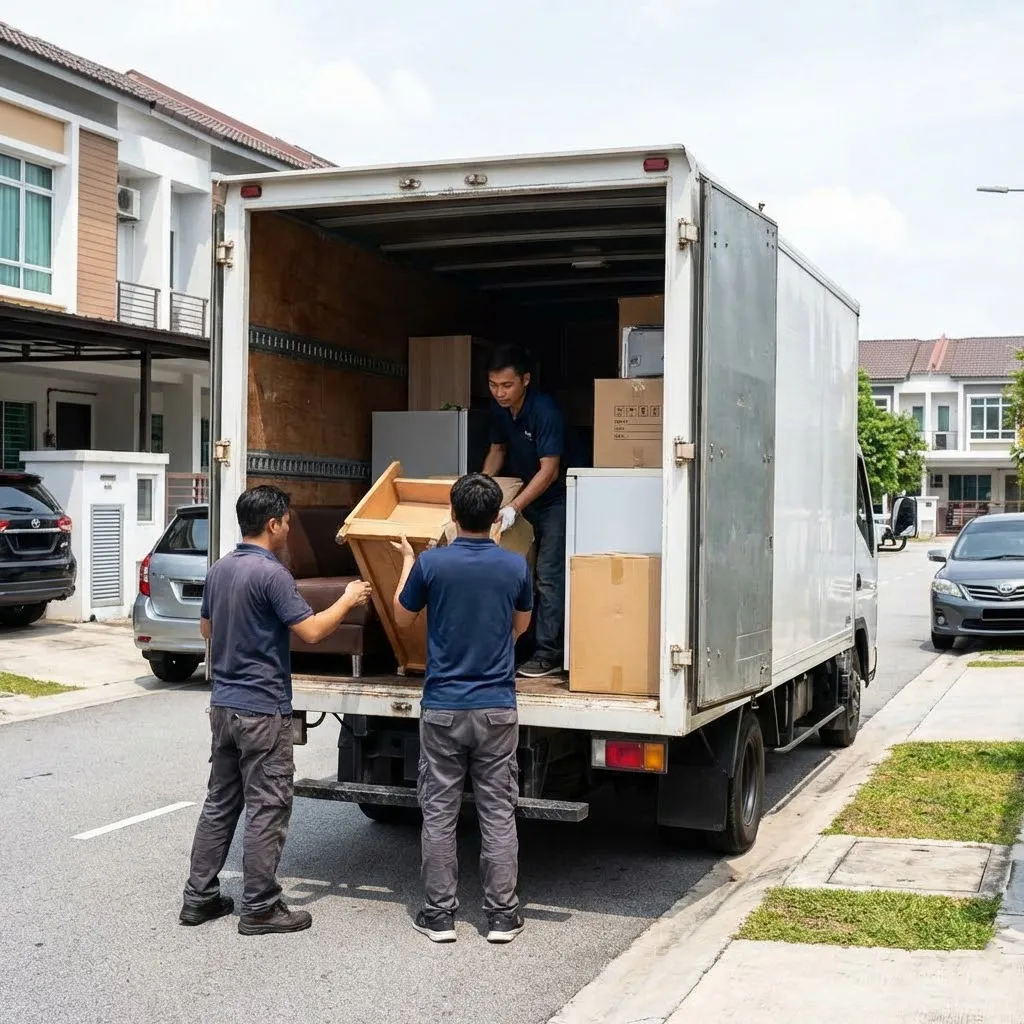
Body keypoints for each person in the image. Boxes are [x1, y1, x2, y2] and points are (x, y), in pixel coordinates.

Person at [179, 484, 372, 935]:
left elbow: (206, 628)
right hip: (262, 709)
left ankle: (199, 897)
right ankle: (261, 906)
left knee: (220, 804)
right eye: (287, 520)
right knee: (268, 805)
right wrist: (347, 598)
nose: (289, 527)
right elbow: (312, 632)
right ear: (272, 524)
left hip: (224, 705)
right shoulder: (273, 575)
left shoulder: (221, 569)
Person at [392, 473, 533, 944]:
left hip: (443, 709)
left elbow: (402, 616)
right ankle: (502, 917)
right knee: (497, 812)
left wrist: (408, 566)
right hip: (497, 707)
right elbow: (521, 624)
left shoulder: (432, 564)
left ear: (452, 515)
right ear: (497, 517)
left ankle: (439, 916)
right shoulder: (514, 567)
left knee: (439, 813)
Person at [482, 344, 566, 678]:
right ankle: (521, 646)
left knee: (548, 575)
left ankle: (548, 653)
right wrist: (478, 489)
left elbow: (550, 470)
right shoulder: (499, 409)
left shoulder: (544, 411)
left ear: (525, 380)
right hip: (520, 502)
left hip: (555, 501)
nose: (499, 393)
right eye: (492, 385)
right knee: (519, 573)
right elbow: (497, 450)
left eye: (506, 385)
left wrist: (515, 507)